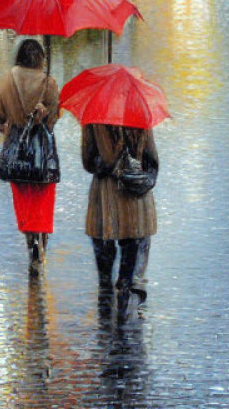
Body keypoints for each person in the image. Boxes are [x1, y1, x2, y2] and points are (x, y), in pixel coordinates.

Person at [0, 39, 60, 276]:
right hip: (42, 156)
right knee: (42, 203)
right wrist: (42, 116)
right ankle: (41, 246)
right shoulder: (49, 84)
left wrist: (10, 126)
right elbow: (53, 121)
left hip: (17, 154)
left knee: (25, 203)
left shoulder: (6, 81)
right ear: (41, 59)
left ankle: (31, 243)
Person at [82, 123, 158, 320]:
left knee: (105, 281)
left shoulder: (94, 117)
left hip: (104, 206)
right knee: (128, 280)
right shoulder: (139, 113)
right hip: (136, 206)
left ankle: (107, 329)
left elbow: (89, 162)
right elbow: (152, 164)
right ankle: (127, 324)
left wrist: (110, 162)